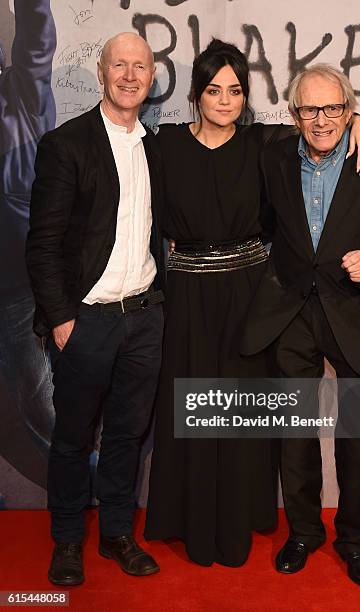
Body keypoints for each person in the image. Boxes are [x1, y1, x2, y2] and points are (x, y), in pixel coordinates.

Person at [144, 40, 360, 567]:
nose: (225, 101)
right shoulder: (165, 146)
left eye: (236, 90)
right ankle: (192, 519)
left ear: (246, 96)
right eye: (213, 90)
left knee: (245, 418)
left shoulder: (264, 145)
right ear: (197, 95)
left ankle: (241, 517)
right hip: (189, 299)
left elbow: (323, 128)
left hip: (251, 297)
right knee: (193, 409)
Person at [241, 63, 360, 585]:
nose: (321, 120)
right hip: (291, 314)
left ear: (349, 108)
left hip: (355, 314)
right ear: (293, 114)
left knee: (356, 438)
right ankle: (302, 531)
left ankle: (354, 541)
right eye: (310, 109)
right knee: (293, 432)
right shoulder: (272, 157)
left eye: (334, 108)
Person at [26, 32, 165, 586]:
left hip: (145, 319)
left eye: (140, 67)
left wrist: (358, 122)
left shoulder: (159, 147)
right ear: (103, 72)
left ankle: (116, 534)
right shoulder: (68, 144)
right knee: (73, 437)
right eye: (119, 65)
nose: (129, 76)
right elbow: (43, 243)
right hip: (86, 322)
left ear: (152, 79)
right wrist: (62, 321)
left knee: (128, 436)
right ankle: (66, 541)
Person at [0, 0, 55, 490]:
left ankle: (83, 483)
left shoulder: (23, 98)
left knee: (37, 401)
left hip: (18, 287)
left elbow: (36, 38)